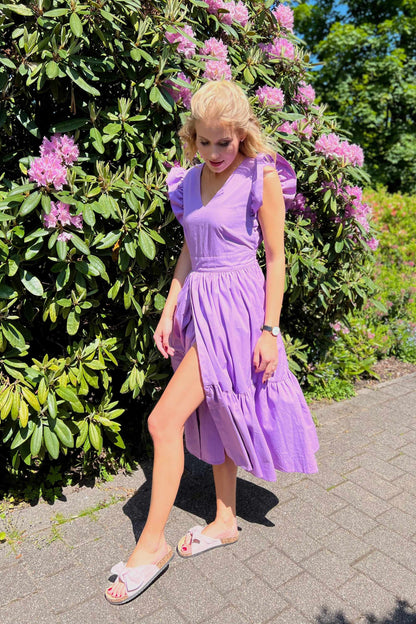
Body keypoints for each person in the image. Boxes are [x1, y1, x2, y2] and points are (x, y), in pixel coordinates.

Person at [105, 80, 319, 605]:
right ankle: (225, 520)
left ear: (242, 133)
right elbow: (190, 249)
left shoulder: (260, 175)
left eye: (224, 141)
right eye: (205, 142)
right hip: (199, 306)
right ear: (192, 137)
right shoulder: (190, 179)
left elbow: (276, 258)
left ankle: (151, 546)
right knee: (217, 408)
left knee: (163, 422)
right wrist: (169, 307)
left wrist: (270, 330)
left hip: (239, 310)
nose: (215, 152)